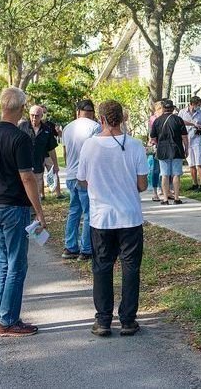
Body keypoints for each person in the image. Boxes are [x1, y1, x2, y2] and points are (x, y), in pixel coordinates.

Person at [0, 87, 46, 337]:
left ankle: (1, 314)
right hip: (14, 206)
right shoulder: (20, 138)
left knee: (2, 263)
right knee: (16, 264)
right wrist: (39, 211)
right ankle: (7, 320)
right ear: (22, 108)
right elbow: (27, 177)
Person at [77, 100, 149, 336]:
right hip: (129, 216)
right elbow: (142, 184)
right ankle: (128, 319)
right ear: (123, 117)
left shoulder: (89, 146)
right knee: (131, 268)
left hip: (101, 217)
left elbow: (82, 180)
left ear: (101, 119)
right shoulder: (135, 145)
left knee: (102, 267)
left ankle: (103, 320)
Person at [61, 99, 101, 261]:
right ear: (92, 112)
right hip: (86, 175)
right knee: (89, 212)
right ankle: (86, 249)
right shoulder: (95, 127)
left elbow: (65, 153)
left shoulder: (67, 128)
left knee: (74, 211)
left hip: (71, 174)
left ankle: (70, 246)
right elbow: (96, 153)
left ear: (78, 112)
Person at [150, 100, 188, 205]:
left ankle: (165, 199)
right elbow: (184, 136)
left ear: (163, 108)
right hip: (177, 149)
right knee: (176, 174)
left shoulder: (157, 121)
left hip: (162, 150)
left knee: (164, 175)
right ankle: (176, 198)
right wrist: (187, 148)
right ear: (172, 108)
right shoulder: (178, 120)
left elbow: (153, 137)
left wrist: (157, 143)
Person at [18, 105, 59, 199]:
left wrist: (56, 165)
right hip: (24, 164)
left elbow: (51, 149)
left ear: (41, 116)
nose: (34, 118)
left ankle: (36, 205)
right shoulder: (22, 127)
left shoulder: (47, 130)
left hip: (38, 164)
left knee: (36, 191)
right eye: (32, 115)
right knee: (24, 190)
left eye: (37, 116)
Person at [178, 96, 201, 192]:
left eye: (200, 105)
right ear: (192, 104)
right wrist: (193, 124)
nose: (199, 107)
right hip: (187, 140)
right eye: (198, 105)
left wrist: (200, 127)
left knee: (199, 163)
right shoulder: (182, 112)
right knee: (191, 164)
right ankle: (194, 183)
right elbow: (179, 123)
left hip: (197, 140)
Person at [40, 105, 63, 198]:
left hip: (49, 154)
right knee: (39, 175)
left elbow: (59, 135)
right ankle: (41, 194)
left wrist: (59, 131)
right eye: (42, 112)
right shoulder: (34, 125)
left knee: (54, 172)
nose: (43, 114)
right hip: (39, 155)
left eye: (45, 112)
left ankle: (58, 193)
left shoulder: (50, 125)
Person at [147, 101, 164, 201]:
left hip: (165, 145)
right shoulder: (153, 119)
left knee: (164, 170)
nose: (162, 111)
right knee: (156, 169)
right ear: (157, 110)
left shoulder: (164, 118)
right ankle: (155, 191)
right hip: (156, 145)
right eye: (161, 109)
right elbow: (152, 134)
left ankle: (163, 188)